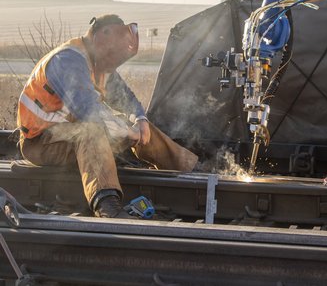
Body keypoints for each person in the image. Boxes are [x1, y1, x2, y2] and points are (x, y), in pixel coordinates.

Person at [17, 14, 198, 218]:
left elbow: (126, 97)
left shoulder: (99, 63)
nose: (113, 63)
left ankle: (190, 168)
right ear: (100, 38)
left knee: (141, 128)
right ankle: (108, 206)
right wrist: (128, 132)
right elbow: (88, 111)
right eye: (112, 54)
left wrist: (139, 119)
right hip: (41, 142)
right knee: (90, 131)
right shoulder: (68, 60)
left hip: (67, 135)